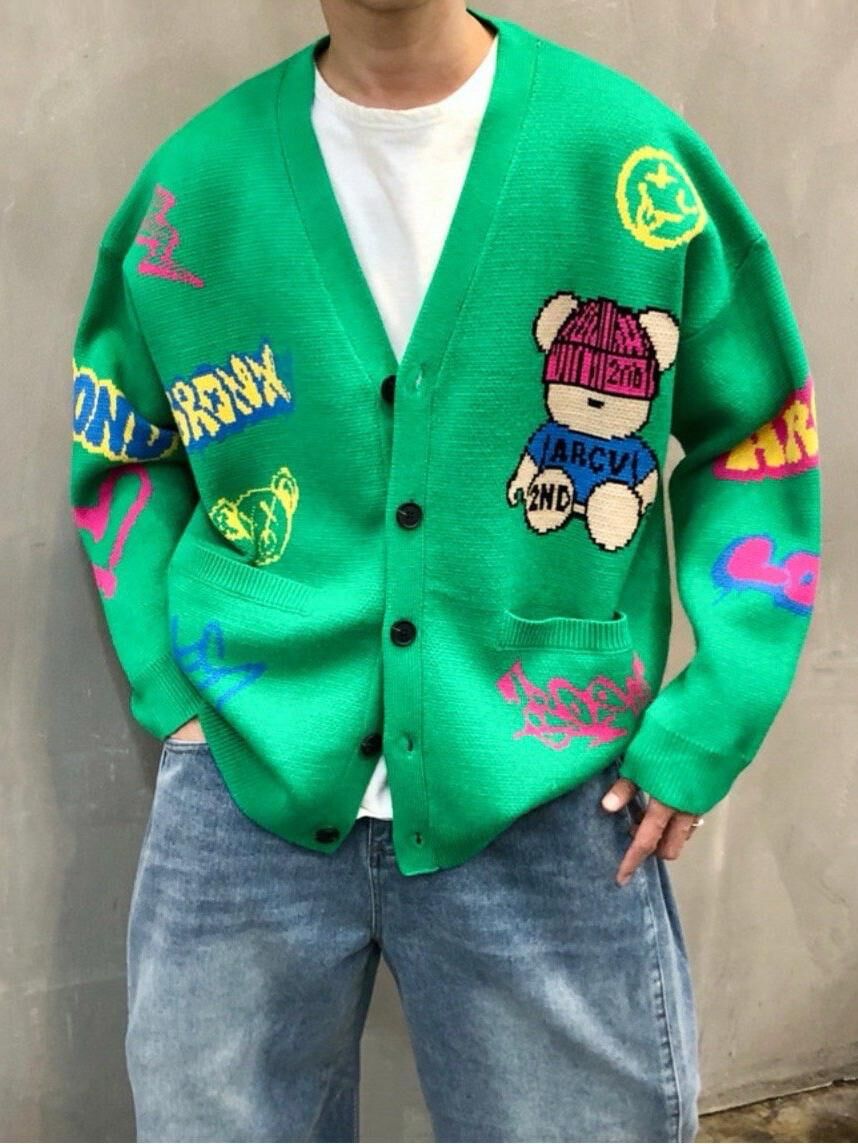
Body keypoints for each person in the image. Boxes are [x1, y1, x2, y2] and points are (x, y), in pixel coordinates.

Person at [68, 1, 821, 1140]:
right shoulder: (196, 190)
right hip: (243, 781)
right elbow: (120, 443)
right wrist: (174, 696)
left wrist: (716, 714)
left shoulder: (627, 162)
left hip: (549, 780)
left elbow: (756, 435)